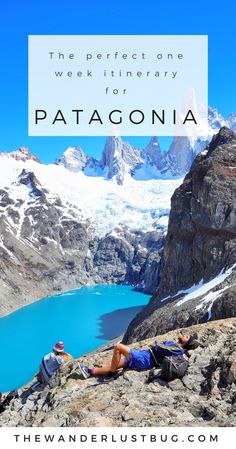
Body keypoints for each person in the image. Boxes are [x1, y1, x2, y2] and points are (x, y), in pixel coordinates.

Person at [78, 334, 199, 379]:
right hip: (145, 356)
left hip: (146, 359)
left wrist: (158, 345)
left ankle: (110, 375)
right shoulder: (176, 346)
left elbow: (161, 348)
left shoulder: (178, 350)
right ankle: (90, 372)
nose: (184, 335)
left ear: (186, 343)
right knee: (115, 364)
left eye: (187, 337)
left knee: (118, 347)